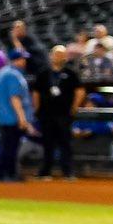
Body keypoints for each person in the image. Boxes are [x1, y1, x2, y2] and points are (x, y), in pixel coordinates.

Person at [35, 45, 85, 180]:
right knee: (47, 144)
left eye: (62, 54)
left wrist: (74, 107)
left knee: (65, 144)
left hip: (64, 114)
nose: (59, 57)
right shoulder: (44, 73)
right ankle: (45, 172)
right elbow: (36, 92)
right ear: (51, 55)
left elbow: (80, 91)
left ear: (65, 57)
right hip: (46, 114)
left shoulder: (71, 72)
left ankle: (68, 172)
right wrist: (37, 109)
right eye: (56, 54)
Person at [0, 49, 37, 182]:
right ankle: (8, 174)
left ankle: (1, 173)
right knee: (11, 147)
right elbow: (15, 98)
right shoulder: (13, 75)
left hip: (5, 117)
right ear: (16, 59)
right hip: (13, 118)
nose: (24, 61)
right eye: (23, 59)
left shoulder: (2, 73)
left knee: (7, 146)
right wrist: (22, 118)